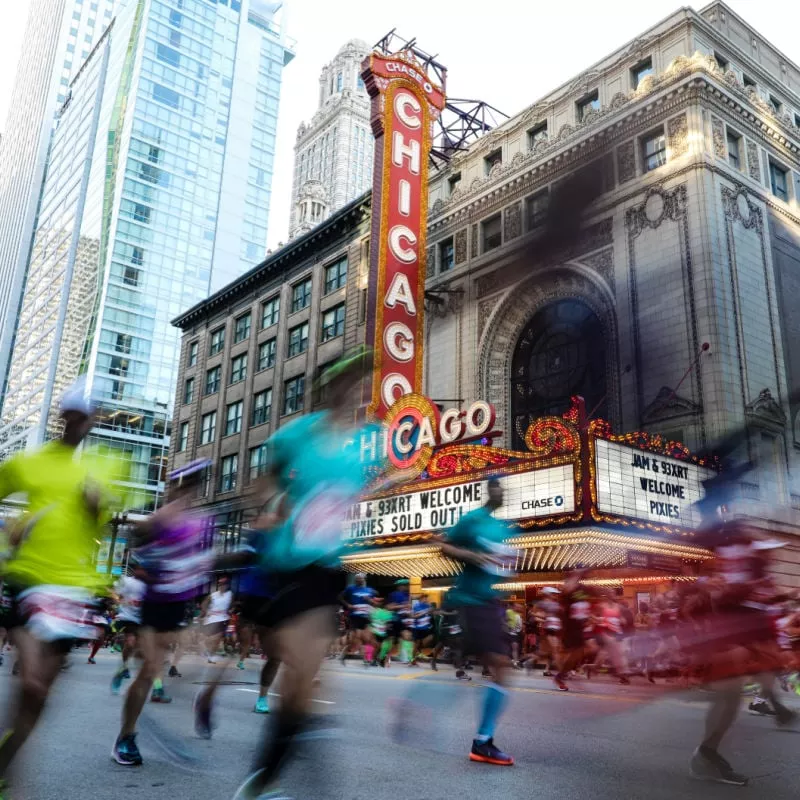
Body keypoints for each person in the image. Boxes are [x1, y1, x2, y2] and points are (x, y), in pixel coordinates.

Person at [229, 348, 383, 800]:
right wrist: (274, 507)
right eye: (344, 381)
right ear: (326, 387)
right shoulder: (295, 435)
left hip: (326, 573)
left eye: (358, 382)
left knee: (304, 685)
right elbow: (266, 480)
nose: (352, 389)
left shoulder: (360, 446)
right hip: (287, 566)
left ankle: (265, 780)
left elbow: (352, 494)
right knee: (300, 683)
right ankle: (267, 779)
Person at [0, 380, 117, 796]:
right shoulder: (31, 463)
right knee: (31, 683)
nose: (76, 421)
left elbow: (100, 525)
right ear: (62, 416)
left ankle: (6, 763)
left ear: (92, 420)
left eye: (84, 415)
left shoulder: (101, 469)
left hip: (73, 595)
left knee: (38, 696)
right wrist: (6, 537)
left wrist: (94, 507)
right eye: (70, 413)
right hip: (29, 580)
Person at [112, 459, 214, 766]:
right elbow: (137, 557)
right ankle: (126, 737)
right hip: (156, 604)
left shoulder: (200, 522)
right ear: (172, 486)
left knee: (192, 661)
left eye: (193, 484)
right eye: (182, 484)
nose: (187, 491)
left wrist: (195, 574)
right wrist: (157, 572)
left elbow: (203, 562)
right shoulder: (157, 520)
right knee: (150, 669)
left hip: (180, 604)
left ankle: (200, 703)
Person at [439, 478, 515, 766]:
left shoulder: (501, 527)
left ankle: (483, 740)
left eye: (504, 490)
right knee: (500, 666)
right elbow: (445, 547)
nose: (502, 493)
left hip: (490, 603)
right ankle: (482, 742)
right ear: (489, 492)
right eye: (497, 488)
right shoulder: (472, 520)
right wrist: (472, 555)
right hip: (470, 601)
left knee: (501, 668)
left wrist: (505, 568)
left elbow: (499, 563)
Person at [110, 570, 146, 693]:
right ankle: (123, 668)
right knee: (131, 642)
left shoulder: (152, 584)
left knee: (143, 651)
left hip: (145, 619)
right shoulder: (127, 581)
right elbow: (114, 594)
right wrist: (123, 602)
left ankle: (123, 670)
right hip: (128, 617)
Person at [338, 573, 377, 665]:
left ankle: (368, 659)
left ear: (364, 579)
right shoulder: (350, 588)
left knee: (368, 639)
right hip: (355, 616)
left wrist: (369, 600)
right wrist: (348, 605)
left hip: (366, 617)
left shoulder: (369, 590)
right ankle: (345, 654)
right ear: (355, 580)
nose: (359, 580)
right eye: (357, 578)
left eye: (361, 578)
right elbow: (340, 597)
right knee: (356, 639)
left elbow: (374, 603)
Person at [202, 576, 233, 664]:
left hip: (223, 619)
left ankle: (211, 657)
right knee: (211, 639)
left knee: (217, 638)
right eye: (220, 584)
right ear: (218, 585)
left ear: (227, 585)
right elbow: (204, 604)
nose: (222, 586)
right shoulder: (213, 595)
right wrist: (205, 612)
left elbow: (231, 605)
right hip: (211, 619)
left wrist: (231, 610)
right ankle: (207, 652)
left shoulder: (230, 594)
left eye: (224, 584)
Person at [386, 579, 413, 664]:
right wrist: (401, 606)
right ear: (400, 586)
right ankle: (385, 656)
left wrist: (408, 612)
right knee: (391, 640)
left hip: (403, 621)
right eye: (405, 585)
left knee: (407, 637)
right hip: (393, 620)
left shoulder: (408, 595)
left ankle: (405, 657)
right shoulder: (393, 595)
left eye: (408, 585)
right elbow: (388, 607)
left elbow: (408, 608)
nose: (407, 587)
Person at [410, 594, 435, 665]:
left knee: (431, 637)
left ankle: (418, 651)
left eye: (427, 598)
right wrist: (426, 611)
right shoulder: (416, 606)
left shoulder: (428, 606)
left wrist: (431, 609)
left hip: (426, 628)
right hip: (417, 628)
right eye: (425, 598)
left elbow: (432, 613)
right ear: (421, 599)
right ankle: (413, 660)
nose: (427, 600)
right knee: (416, 645)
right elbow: (414, 616)